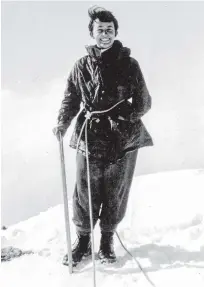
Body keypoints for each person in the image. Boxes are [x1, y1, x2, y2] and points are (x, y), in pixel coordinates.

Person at [53, 5, 153, 266]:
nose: (105, 35)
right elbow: (71, 99)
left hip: (122, 140)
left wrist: (122, 115)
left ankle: (107, 242)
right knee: (84, 191)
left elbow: (143, 102)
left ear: (115, 32)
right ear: (92, 33)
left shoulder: (129, 65)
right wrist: (62, 124)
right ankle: (83, 242)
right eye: (100, 30)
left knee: (115, 191)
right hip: (88, 136)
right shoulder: (80, 66)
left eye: (109, 30)